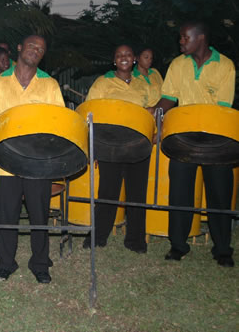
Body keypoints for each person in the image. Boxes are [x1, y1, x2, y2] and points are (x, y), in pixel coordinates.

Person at [150, 21, 235, 268]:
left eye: (185, 38)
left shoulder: (225, 65)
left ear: (201, 38)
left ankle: (222, 249)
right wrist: (153, 113)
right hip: (184, 139)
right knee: (180, 195)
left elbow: (223, 108)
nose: (181, 42)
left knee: (219, 195)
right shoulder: (178, 65)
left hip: (216, 140)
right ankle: (178, 245)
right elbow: (168, 98)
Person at [0, 35, 65, 284]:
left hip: (38, 161)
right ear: (19, 48)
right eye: (32, 46)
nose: (36, 50)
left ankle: (40, 264)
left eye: (41, 49)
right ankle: (5, 263)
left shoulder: (50, 85)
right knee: (7, 215)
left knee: (38, 215)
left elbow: (58, 121)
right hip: (7, 160)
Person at [82, 44, 156, 253]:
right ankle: (98, 236)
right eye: (119, 55)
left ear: (134, 59)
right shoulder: (102, 82)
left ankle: (135, 240)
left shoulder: (145, 84)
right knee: (107, 192)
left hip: (138, 145)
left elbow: (152, 112)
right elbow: (90, 115)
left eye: (128, 54)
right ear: (114, 60)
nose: (123, 57)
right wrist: (93, 146)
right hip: (110, 145)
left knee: (137, 194)